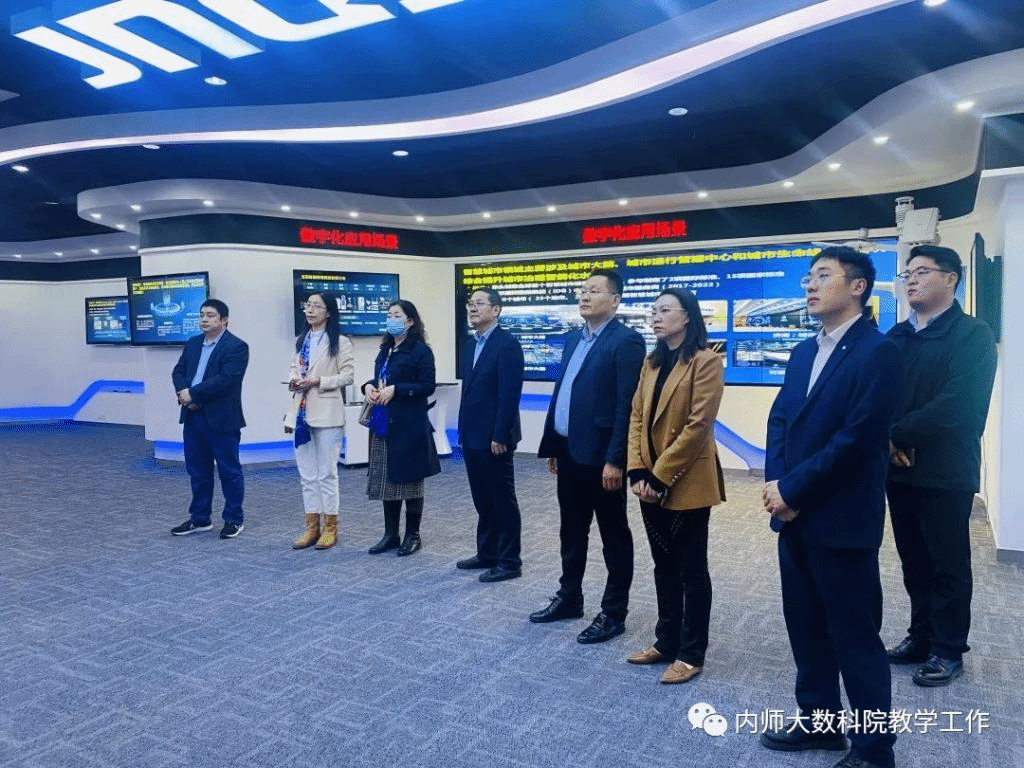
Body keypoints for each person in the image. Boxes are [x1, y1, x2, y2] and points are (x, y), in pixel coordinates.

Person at [761, 247, 900, 768]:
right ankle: (820, 723)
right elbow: (781, 419)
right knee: (805, 625)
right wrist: (777, 482)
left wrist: (793, 490)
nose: (810, 285)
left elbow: (858, 438)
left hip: (841, 517)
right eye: (808, 277)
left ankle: (874, 750)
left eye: (823, 275)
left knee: (854, 637)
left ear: (858, 286)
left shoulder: (878, 352)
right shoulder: (803, 350)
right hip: (794, 514)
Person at [884, 245, 998, 687]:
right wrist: (886, 438)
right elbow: (879, 397)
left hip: (945, 471)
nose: (911, 280)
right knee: (913, 561)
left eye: (922, 272)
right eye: (907, 274)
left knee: (947, 564)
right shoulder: (897, 337)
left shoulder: (972, 334)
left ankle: (948, 649)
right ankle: (921, 637)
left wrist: (896, 435)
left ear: (951, 279)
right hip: (898, 469)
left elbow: (960, 406)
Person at [532, 269, 646, 644]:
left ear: (615, 300)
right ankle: (569, 597)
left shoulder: (626, 341)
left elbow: (627, 405)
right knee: (571, 530)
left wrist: (617, 459)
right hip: (569, 452)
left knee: (613, 536)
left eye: (594, 291)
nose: (584, 296)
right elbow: (562, 395)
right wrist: (553, 444)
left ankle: (613, 612)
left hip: (602, 459)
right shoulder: (572, 339)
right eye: (582, 290)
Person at [625, 288, 726, 684]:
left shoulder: (706, 361)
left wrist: (659, 475)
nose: (656, 316)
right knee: (663, 565)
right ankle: (666, 641)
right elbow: (636, 417)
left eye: (665, 310)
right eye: (653, 310)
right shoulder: (651, 362)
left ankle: (691, 653)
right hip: (648, 481)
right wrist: (637, 470)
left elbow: (699, 426)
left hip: (686, 481)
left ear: (687, 317)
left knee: (691, 569)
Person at [456, 288, 526, 583]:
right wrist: (462, 429)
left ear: (496, 310)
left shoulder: (507, 344)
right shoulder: (471, 343)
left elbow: (509, 395)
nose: (472, 308)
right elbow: (470, 391)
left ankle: (509, 561)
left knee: (501, 499)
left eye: (480, 303)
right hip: (472, 434)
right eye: (470, 304)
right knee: (482, 498)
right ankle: (487, 552)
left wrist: (500, 435)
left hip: (496, 437)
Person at [362, 299, 440, 556]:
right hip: (384, 422)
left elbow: (427, 386)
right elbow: (381, 379)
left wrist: (398, 390)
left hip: (409, 425)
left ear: (410, 321)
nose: (391, 319)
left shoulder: (420, 351)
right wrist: (368, 386)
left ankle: (413, 535)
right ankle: (391, 534)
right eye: (389, 314)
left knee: (411, 481)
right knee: (388, 479)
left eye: (397, 315)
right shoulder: (385, 349)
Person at [170, 298, 250, 539]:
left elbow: (227, 380)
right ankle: (200, 518)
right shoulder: (193, 343)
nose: (204, 319)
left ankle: (234, 519)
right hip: (193, 416)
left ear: (224, 320)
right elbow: (179, 371)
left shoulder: (236, 346)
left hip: (222, 419)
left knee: (229, 472)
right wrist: (183, 393)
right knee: (198, 472)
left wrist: (193, 394)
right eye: (202, 314)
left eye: (210, 315)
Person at [284, 291, 355, 550]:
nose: (310, 310)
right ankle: (311, 527)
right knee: (307, 475)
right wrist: (294, 380)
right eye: (308, 305)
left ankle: (330, 527)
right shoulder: (301, 340)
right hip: (301, 413)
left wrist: (319, 381)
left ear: (329, 312)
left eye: (317, 306)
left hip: (327, 413)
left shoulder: (340, 342)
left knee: (326, 473)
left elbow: (347, 376)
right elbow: (294, 369)